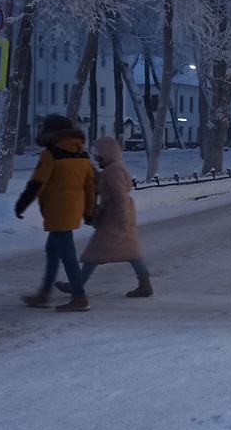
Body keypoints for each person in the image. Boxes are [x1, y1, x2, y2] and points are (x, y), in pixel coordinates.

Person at [55, 136, 154, 299]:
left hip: (115, 217)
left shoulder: (114, 170)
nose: (96, 159)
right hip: (117, 216)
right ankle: (145, 284)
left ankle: (76, 285)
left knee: (95, 253)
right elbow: (105, 182)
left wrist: (123, 220)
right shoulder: (113, 167)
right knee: (130, 252)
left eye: (98, 156)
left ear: (106, 155)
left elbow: (119, 195)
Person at [16, 114, 96, 312]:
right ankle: (44, 293)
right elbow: (91, 187)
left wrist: (21, 205)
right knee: (53, 250)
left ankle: (79, 296)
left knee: (67, 254)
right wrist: (89, 212)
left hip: (57, 210)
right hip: (74, 209)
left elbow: (37, 183)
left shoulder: (50, 154)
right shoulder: (83, 155)